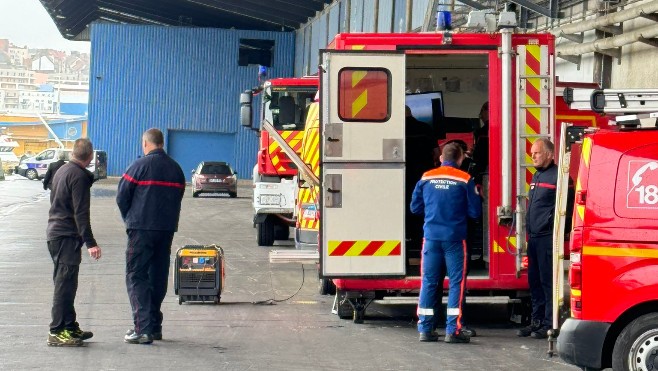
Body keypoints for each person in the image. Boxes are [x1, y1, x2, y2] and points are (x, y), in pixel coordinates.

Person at [117, 128, 185, 344]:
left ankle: (142, 329)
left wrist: (130, 219)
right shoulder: (176, 169)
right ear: (161, 143)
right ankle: (154, 326)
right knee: (158, 276)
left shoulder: (138, 166)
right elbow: (179, 197)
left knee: (136, 275)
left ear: (145, 143)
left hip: (141, 229)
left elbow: (122, 197)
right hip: (165, 230)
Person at [411, 142, 482, 343]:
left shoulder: (426, 177)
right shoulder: (465, 179)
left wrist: (434, 212)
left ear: (441, 158)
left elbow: (415, 208)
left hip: (431, 238)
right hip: (455, 239)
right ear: (460, 159)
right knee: (456, 284)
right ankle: (453, 330)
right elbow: (475, 212)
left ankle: (425, 329)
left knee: (429, 282)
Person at [46, 138, 102, 346]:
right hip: (65, 237)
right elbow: (81, 213)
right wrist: (91, 242)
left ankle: (69, 326)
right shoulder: (78, 176)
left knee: (67, 283)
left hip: (57, 234)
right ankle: (57, 331)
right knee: (64, 285)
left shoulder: (62, 170)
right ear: (90, 157)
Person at [517, 138, 557, 339]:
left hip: (547, 239)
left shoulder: (558, 177)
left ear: (549, 154)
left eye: (537, 153)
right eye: (532, 153)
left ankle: (549, 325)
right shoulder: (537, 175)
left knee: (547, 283)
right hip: (533, 238)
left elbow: (565, 210)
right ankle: (536, 322)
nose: (532, 156)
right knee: (534, 282)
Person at [471, 102, 489, 186]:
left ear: (488, 111)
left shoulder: (481, 132)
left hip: (484, 171)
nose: (481, 116)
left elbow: (478, 154)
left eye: (481, 112)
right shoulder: (505, 129)